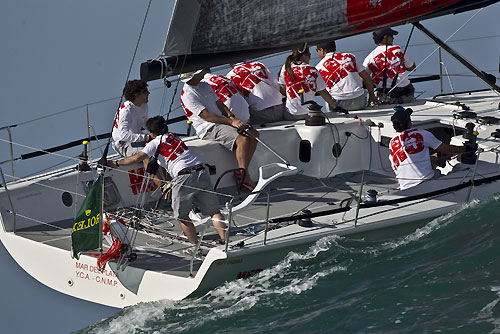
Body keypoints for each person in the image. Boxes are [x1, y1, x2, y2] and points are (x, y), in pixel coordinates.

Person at [108, 116, 227, 246]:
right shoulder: (174, 136)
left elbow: (136, 158)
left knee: (183, 217)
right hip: (201, 171)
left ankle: (196, 247)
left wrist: (115, 163)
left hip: (183, 177)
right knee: (214, 212)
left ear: (151, 133)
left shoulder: (153, 144)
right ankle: (224, 240)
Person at [180, 69, 258, 192]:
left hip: (220, 122)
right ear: (194, 76)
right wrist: (232, 122)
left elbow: (219, 103)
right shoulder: (188, 95)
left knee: (253, 133)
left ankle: (242, 171)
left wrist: (231, 116)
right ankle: (244, 176)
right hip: (208, 127)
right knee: (242, 139)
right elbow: (207, 117)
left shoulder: (204, 85)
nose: (204, 71)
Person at [389, 107, 465, 190]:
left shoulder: (392, 142)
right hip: (426, 181)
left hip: (405, 187)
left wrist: (435, 157)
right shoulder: (421, 134)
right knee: (460, 169)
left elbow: (409, 158)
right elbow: (445, 149)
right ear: (408, 122)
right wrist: (465, 149)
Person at [315, 41, 379, 111]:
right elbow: (366, 77)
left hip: (338, 104)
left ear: (321, 50)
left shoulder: (318, 67)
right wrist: (372, 95)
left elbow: (321, 91)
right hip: (359, 102)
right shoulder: (350, 56)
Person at [279, 47, 338, 119]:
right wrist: (335, 107)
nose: (310, 58)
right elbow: (323, 92)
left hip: (291, 114)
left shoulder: (286, 67)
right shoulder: (312, 70)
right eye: (309, 55)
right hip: (309, 113)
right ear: (303, 56)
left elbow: (283, 89)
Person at [363, 27, 416, 104]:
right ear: (385, 37)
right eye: (391, 36)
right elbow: (411, 67)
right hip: (406, 95)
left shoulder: (369, 57)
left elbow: (363, 78)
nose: (393, 38)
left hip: (385, 96)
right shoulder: (398, 49)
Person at [112, 80, 150, 157]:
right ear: (136, 95)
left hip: (137, 139)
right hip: (123, 144)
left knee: (161, 145)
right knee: (147, 152)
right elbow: (124, 135)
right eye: (145, 91)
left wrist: (156, 130)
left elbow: (145, 123)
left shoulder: (144, 105)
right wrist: (146, 137)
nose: (149, 93)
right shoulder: (126, 111)